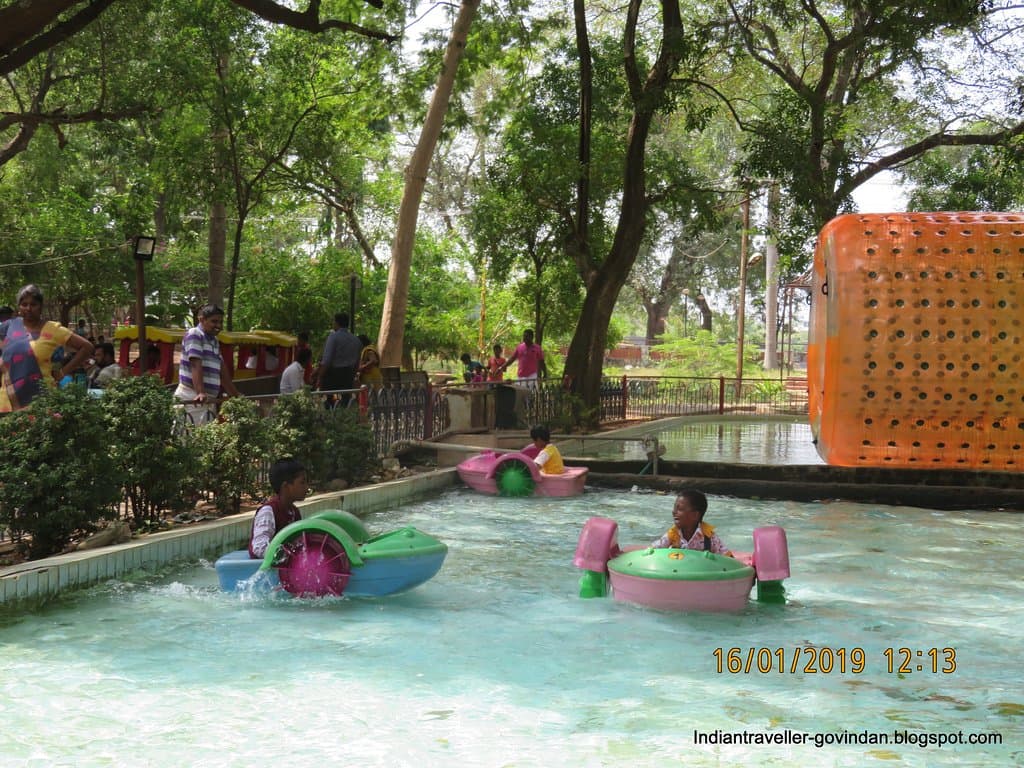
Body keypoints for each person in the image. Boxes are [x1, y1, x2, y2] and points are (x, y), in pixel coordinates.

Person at [0, 284, 94, 412]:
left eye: (33, 304)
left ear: (41, 307)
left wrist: (62, 373)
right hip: (8, 402)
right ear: (19, 307)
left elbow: (87, 347)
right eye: (24, 304)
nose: (28, 308)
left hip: (40, 402)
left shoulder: (53, 329)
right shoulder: (8, 327)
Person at [173, 304, 240, 422]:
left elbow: (222, 372)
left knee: (206, 437)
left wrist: (235, 395)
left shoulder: (214, 341)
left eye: (220, 322)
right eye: (214, 321)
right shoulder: (195, 334)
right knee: (190, 437)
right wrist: (200, 392)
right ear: (201, 319)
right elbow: (195, 364)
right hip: (193, 397)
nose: (218, 326)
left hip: (208, 400)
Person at [248, 458, 309, 559]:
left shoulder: (294, 512)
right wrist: (287, 556)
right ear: (286, 486)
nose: (307, 488)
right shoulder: (268, 512)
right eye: (302, 482)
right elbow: (259, 548)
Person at [650, 490, 731, 555]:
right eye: (674, 508)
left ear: (695, 515)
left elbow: (729, 560)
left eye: (680, 509)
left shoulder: (709, 538)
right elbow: (654, 550)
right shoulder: (673, 533)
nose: (674, 512)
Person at [314, 312, 362, 405]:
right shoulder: (356, 340)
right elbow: (357, 362)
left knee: (329, 400)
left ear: (336, 323)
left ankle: (331, 415)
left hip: (333, 374)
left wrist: (320, 376)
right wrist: (353, 375)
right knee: (346, 400)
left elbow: (327, 360)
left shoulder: (333, 337)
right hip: (348, 374)